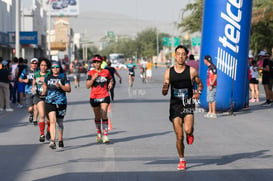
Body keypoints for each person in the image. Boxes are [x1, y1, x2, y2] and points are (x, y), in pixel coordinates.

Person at [162, 45, 203, 170]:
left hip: (188, 103)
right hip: (175, 106)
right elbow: (165, 89)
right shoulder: (169, 72)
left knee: (188, 130)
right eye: (178, 54)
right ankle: (182, 159)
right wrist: (164, 88)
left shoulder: (191, 71)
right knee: (179, 137)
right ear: (175, 56)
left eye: (183, 54)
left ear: (186, 56)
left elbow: (200, 84)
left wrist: (198, 92)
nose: (180, 56)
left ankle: (190, 133)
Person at [42, 61, 71, 149]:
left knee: (60, 122)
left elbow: (68, 89)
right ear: (51, 68)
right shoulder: (47, 77)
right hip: (50, 102)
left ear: (60, 68)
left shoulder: (63, 76)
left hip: (61, 102)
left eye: (57, 67)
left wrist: (61, 86)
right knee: (52, 120)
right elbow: (44, 87)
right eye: (53, 67)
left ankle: (61, 139)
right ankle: (53, 141)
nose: (55, 69)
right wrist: (43, 93)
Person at [86, 55, 113, 144]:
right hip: (94, 97)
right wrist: (93, 78)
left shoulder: (106, 71)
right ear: (93, 63)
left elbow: (110, 79)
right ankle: (99, 133)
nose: (96, 64)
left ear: (101, 63)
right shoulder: (90, 72)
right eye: (95, 62)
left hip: (104, 95)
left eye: (98, 62)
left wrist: (111, 83)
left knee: (104, 114)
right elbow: (87, 86)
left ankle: (105, 135)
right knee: (97, 116)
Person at [32, 58, 51, 141]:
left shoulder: (50, 74)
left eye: (45, 65)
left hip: (48, 96)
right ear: (39, 66)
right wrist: (33, 88)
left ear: (47, 66)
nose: (43, 67)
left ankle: (49, 130)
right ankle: (42, 134)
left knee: (49, 117)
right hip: (39, 96)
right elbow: (33, 84)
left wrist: (45, 82)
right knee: (42, 114)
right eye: (42, 65)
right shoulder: (36, 74)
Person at [19, 58, 38, 123]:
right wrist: (24, 80)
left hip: (37, 91)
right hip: (28, 91)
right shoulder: (26, 71)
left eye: (36, 63)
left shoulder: (39, 71)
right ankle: (31, 114)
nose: (34, 64)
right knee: (30, 109)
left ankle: (35, 119)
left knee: (36, 106)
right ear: (30, 64)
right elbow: (19, 79)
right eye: (33, 63)